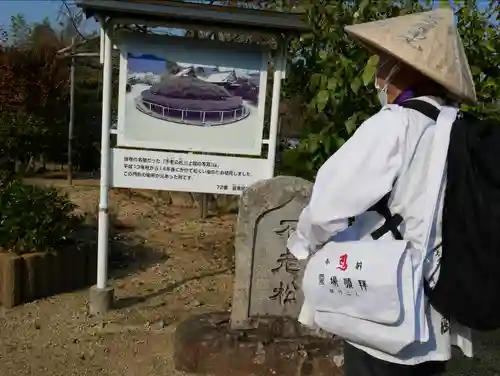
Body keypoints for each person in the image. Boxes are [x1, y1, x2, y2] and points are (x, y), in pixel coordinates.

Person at [286, 8, 477, 376]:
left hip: (382, 308)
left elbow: (328, 204)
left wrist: (302, 242)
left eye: (385, 64)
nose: (378, 75)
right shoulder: (459, 131)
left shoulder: (395, 124)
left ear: (405, 71)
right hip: (438, 305)